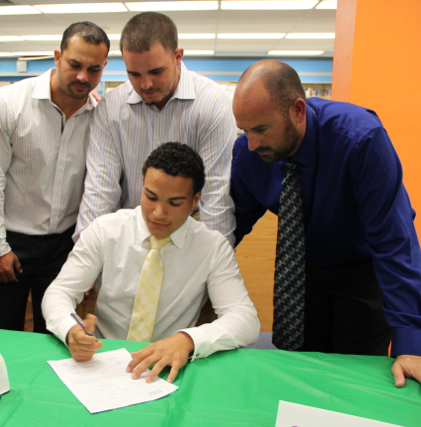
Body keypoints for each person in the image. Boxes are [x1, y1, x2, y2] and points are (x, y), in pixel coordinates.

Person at [230, 59, 421, 386]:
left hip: (362, 272)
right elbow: (233, 224)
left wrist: (411, 343)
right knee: (300, 370)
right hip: (301, 271)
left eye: (261, 129)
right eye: (244, 130)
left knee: (353, 377)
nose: (251, 143)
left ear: (298, 111)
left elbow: (394, 243)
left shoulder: (360, 141)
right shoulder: (250, 152)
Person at [42, 143, 259, 383]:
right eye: (150, 197)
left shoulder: (212, 247)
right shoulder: (106, 231)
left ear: (196, 199)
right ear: (142, 185)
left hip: (164, 370)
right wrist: (71, 329)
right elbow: (59, 292)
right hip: (101, 361)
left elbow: (245, 319)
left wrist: (187, 340)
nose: (158, 213)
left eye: (174, 203)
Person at [0, 22, 109, 333]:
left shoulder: (103, 116)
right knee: (3, 333)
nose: (83, 77)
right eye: (75, 65)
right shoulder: (7, 103)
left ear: (104, 67)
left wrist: (86, 256)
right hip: (11, 241)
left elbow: (99, 189)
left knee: (57, 334)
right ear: (57, 56)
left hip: (65, 245)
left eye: (94, 69)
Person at [75, 11, 237, 245]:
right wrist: (85, 254)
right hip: (128, 238)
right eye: (134, 74)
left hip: (190, 239)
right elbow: (100, 190)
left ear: (178, 56)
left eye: (156, 72)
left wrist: (217, 263)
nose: (145, 84)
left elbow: (216, 195)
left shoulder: (212, 104)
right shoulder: (110, 109)